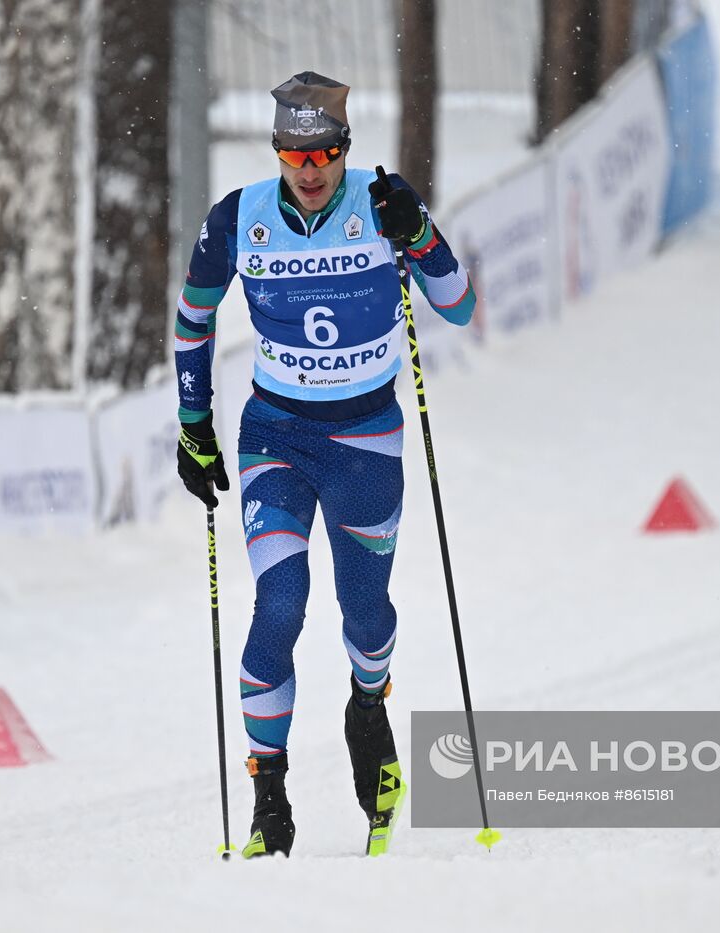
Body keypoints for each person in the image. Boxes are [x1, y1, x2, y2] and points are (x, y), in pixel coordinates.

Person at [174, 71, 476, 858]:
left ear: (347, 150)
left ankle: (367, 704)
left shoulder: (380, 205)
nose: (310, 171)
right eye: (294, 154)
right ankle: (268, 796)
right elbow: (192, 316)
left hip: (364, 440)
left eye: (327, 153)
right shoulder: (238, 218)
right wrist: (193, 421)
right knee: (279, 604)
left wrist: (418, 234)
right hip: (275, 434)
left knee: (365, 614)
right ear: (276, 151)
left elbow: (460, 302)